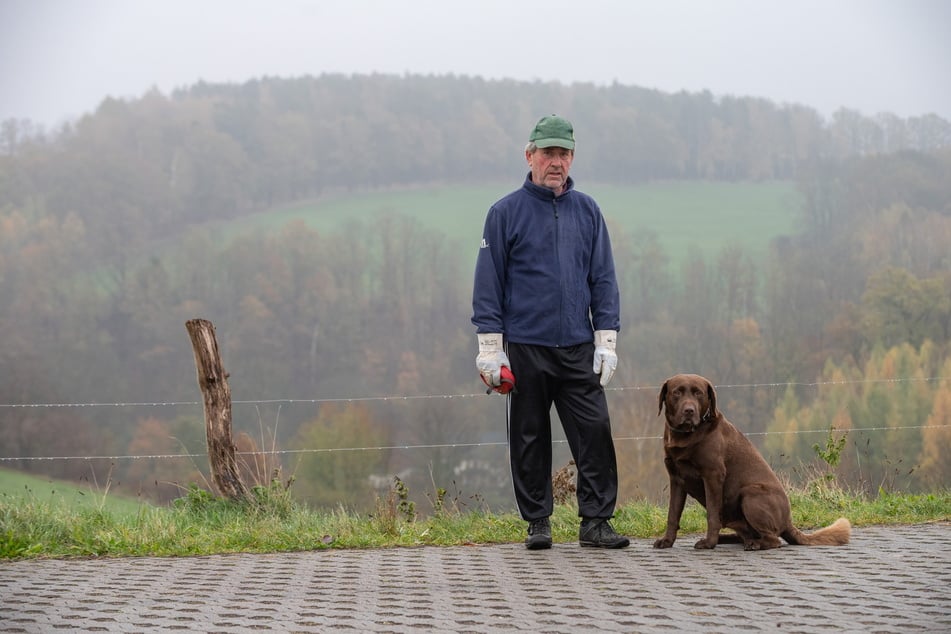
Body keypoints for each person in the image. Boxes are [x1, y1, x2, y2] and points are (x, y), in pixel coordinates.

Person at [471, 114, 629, 550]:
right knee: (529, 436)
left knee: (594, 431)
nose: (555, 162)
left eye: (563, 153)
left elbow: (603, 279)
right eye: (548, 153)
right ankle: (538, 521)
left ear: (572, 157)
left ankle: (596, 522)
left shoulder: (588, 211)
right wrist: (490, 348)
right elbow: (489, 284)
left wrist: (607, 339)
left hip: (578, 344)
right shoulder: (504, 213)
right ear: (530, 155)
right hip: (525, 347)